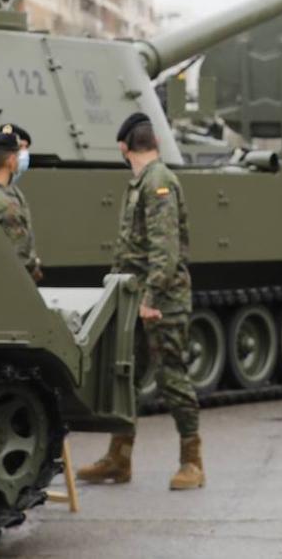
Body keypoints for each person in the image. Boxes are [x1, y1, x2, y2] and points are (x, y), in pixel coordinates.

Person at [77, 112, 203, 490]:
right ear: (156, 143)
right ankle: (119, 457)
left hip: (160, 302)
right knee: (126, 379)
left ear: (123, 147)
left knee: (172, 378)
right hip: (137, 300)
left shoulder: (158, 182)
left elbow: (164, 251)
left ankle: (192, 462)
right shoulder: (143, 182)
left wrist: (151, 299)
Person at [0, 126, 42, 283]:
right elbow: (21, 259)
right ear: (11, 160)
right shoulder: (7, 205)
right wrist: (34, 268)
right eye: (18, 153)